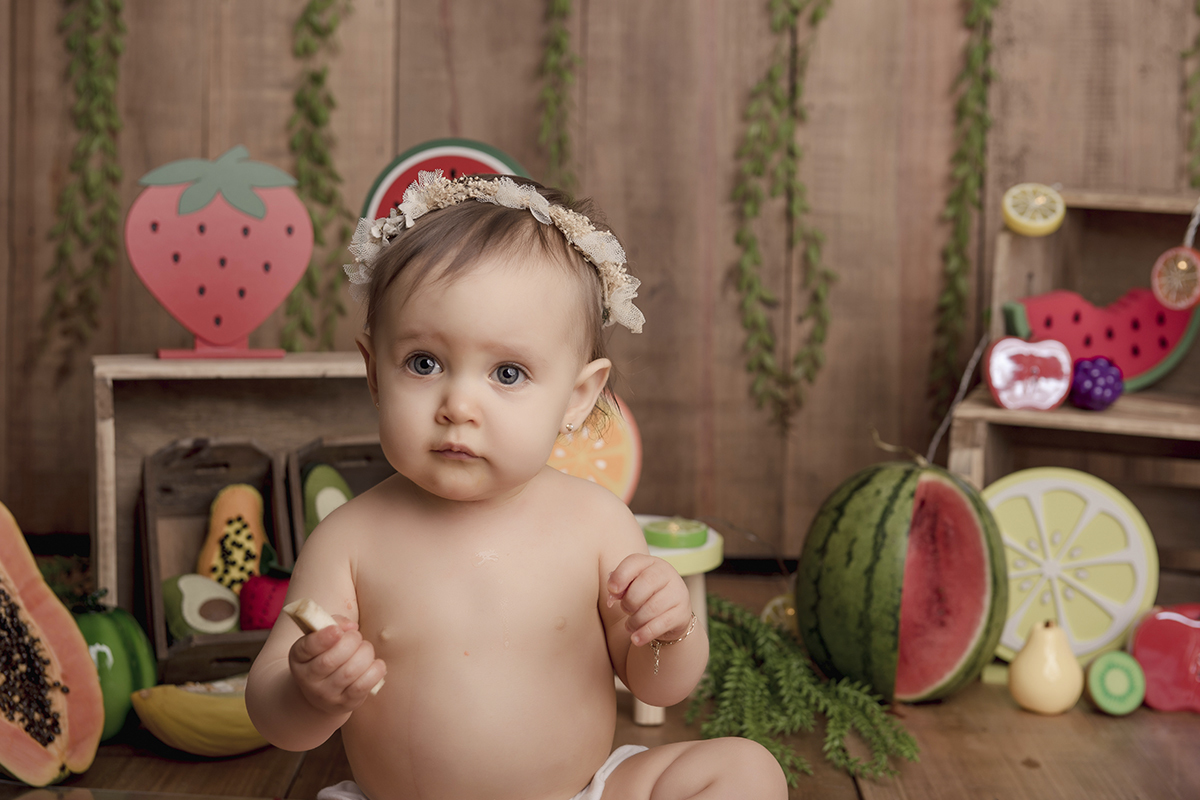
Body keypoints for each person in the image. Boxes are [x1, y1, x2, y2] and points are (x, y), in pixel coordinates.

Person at [245, 171, 787, 800]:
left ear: (577, 398)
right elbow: (277, 720)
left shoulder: (596, 523)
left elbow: (659, 686)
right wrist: (309, 691)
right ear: (373, 373)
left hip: (578, 794)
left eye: (508, 372)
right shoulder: (351, 539)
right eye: (424, 363)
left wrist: (669, 630)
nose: (459, 405)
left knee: (748, 771)